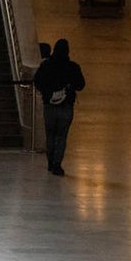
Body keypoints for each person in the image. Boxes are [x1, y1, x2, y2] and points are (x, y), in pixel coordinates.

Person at [32, 38, 86, 176]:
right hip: (66, 106)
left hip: (49, 106)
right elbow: (80, 85)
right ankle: (57, 164)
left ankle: (50, 161)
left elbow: (37, 82)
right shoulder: (72, 67)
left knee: (50, 134)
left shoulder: (46, 66)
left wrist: (47, 92)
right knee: (61, 136)